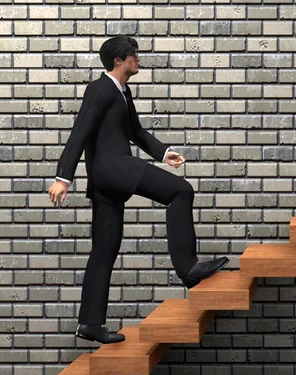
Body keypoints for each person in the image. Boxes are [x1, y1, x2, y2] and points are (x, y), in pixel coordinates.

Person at [47, 36, 229, 345]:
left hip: (108, 176)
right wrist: (63, 177)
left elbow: (136, 131)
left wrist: (163, 153)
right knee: (181, 191)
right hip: (114, 167)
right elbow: (79, 133)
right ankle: (188, 268)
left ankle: (89, 324)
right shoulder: (99, 89)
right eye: (133, 54)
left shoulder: (122, 91)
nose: (138, 58)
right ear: (118, 60)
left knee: (104, 250)